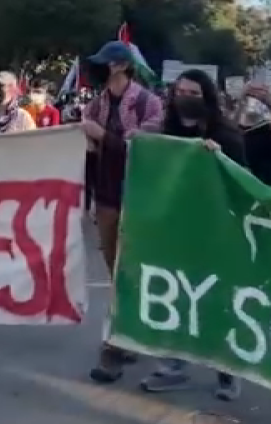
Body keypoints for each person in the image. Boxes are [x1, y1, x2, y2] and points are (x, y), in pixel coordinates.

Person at [141, 68, 244, 400]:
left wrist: (218, 158)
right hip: (175, 228)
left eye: (194, 94)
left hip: (216, 229)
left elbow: (241, 179)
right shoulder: (165, 132)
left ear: (207, 98)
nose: (185, 98)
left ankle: (227, 370)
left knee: (215, 298)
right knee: (175, 294)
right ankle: (173, 367)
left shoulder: (226, 134)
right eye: (180, 91)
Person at [82, 41, 164, 384]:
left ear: (119, 66)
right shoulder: (96, 103)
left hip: (138, 195)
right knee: (117, 271)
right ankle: (128, 335)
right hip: (105, 194)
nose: (96, 70)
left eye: (103, 64)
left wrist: (103, 137)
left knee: (130, 269)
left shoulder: (149, 103)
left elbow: (145, 149)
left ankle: (115, 344)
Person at [234, 84, 271, 189]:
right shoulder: (236, 124)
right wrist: (241, 101)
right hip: (241, 187)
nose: (254, 100)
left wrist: (270, 103)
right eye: (250, 96)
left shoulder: (269, 125)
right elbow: (230, 131)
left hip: (268, 186)